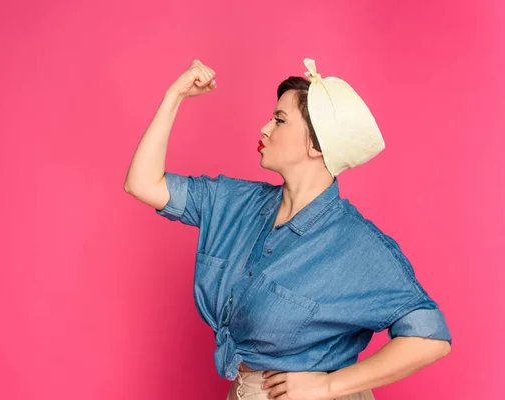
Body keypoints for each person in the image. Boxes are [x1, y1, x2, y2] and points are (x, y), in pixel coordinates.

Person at [124, 58, 452, 400]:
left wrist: (328, 385)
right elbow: (142, 182)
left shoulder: (354, 244)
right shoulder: (235, 202)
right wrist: (174, 94)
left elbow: (430, 338)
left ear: (316, 145)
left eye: (279, 120)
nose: (264, 128)